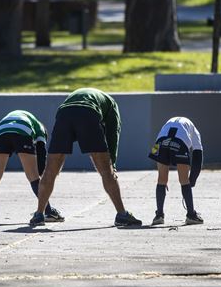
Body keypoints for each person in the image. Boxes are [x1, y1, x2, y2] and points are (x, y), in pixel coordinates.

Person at [30, 88, 142, 227]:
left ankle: (39, 214)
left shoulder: (79, 95)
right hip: (88, 112)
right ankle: (121, 214)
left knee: (50, 170)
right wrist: (111, 162)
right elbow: (113, 134)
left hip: (63, 113)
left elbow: (71, 122)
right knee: (106, 171)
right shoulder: (111, 104)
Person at [0, 110, 64, 223]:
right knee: (33, 176)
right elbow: (41, 152)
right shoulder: (40, 129)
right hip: (23, 130)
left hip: (2, 130)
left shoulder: (22, 116)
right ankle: (48, 212)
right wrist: (43, 176)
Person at [148, 116, 204, 225]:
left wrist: (155, 154)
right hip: (180, 142)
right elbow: (198, 156)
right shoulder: (194, 131)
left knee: (162, 179)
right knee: (184, 180)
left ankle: (159, 216)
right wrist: (192, 180)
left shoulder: (169, 121)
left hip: (160, 142)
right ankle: (191, 215)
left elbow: (158, 141)